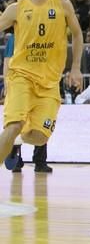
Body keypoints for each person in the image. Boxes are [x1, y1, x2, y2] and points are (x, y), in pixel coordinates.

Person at [0, 0, 83, 177]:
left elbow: (77, 33)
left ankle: (17, 137)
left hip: (49, 83)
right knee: (13, 124)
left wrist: (75, 68)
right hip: (21, 77)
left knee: (39, 136)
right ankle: (14, 134)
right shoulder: (16, 9)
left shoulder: (62, 4)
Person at [2, 31, 54, 174]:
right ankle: (16, 159)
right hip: (20, 85)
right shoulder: (15, 36)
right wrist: (7, 83)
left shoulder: (44, 33)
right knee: (17, 122)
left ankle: (40, 161)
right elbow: (7, 60)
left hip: (41, 84)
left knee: (41, 123)